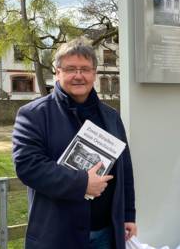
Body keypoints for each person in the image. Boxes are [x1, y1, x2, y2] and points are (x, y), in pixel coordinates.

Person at [12, 37, 136, 249]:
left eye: (85, 69)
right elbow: (27, 166)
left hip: (106, 233)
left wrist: (128, 214)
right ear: (57, 72)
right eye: (70, 69)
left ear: (94, 74)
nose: (79, 76)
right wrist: (82, 183)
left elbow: (124, 168)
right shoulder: (33, 115)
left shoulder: (111, 116)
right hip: (58, 235)